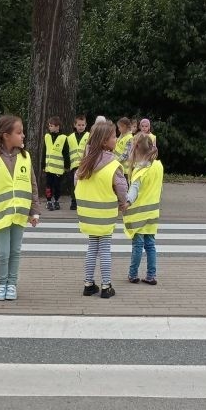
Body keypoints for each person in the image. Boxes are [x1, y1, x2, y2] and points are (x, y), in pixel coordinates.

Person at [0, 115, 40, 301]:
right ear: (6, 136)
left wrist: (34, 212)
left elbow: (32, 185)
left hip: (19, 213)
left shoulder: (26, 157)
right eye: (19, 132)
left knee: (15, 251)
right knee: (2, 253)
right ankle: (1, 284)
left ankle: (12, 284)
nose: (23, 136)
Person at [74, 119, 127, 300]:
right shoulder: (112, 164)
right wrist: (123, 203)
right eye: (114, 136)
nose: (116, 139)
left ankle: (88, 284)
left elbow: (76, 182)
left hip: (87, 214)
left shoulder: (85, 161)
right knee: (104, 248)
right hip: (105, 214)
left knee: (91, 247)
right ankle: (106, 285)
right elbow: (121, 187)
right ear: (105, 141)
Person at [123, 132, 163, 286]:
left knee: (138, 246)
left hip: (139, 214)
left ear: (137, 148)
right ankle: (151, 275)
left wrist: (125, 203)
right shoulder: (158, 167)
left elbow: (133, 191)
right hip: (153, 213)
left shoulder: (140, 171)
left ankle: (133, 274)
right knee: (151, 245)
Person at [43, 116, 69, 210]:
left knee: (57, 186)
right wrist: (43, 165)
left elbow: (66, 153)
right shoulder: (47, 136)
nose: (50, 127)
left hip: (58, 169)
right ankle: (49, 201)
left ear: (58, 127)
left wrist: (67, 166)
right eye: (49, 126)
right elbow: (44, 151)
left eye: (52, 126)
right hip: (49, 167)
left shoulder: (63, 138)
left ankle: (56, 201)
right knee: (48, 186)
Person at [66, 114, 89, 211]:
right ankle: (74, 201)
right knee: (73, 184)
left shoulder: (89, 136)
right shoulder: (70, 137)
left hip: (84, 165)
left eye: (83, 125)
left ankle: (83, 201)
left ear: (86, 125)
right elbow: (67, 152)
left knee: (84, 183)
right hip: (73, 165)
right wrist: (67, 165)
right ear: (75, 125)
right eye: (79, 125)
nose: (81, 127)